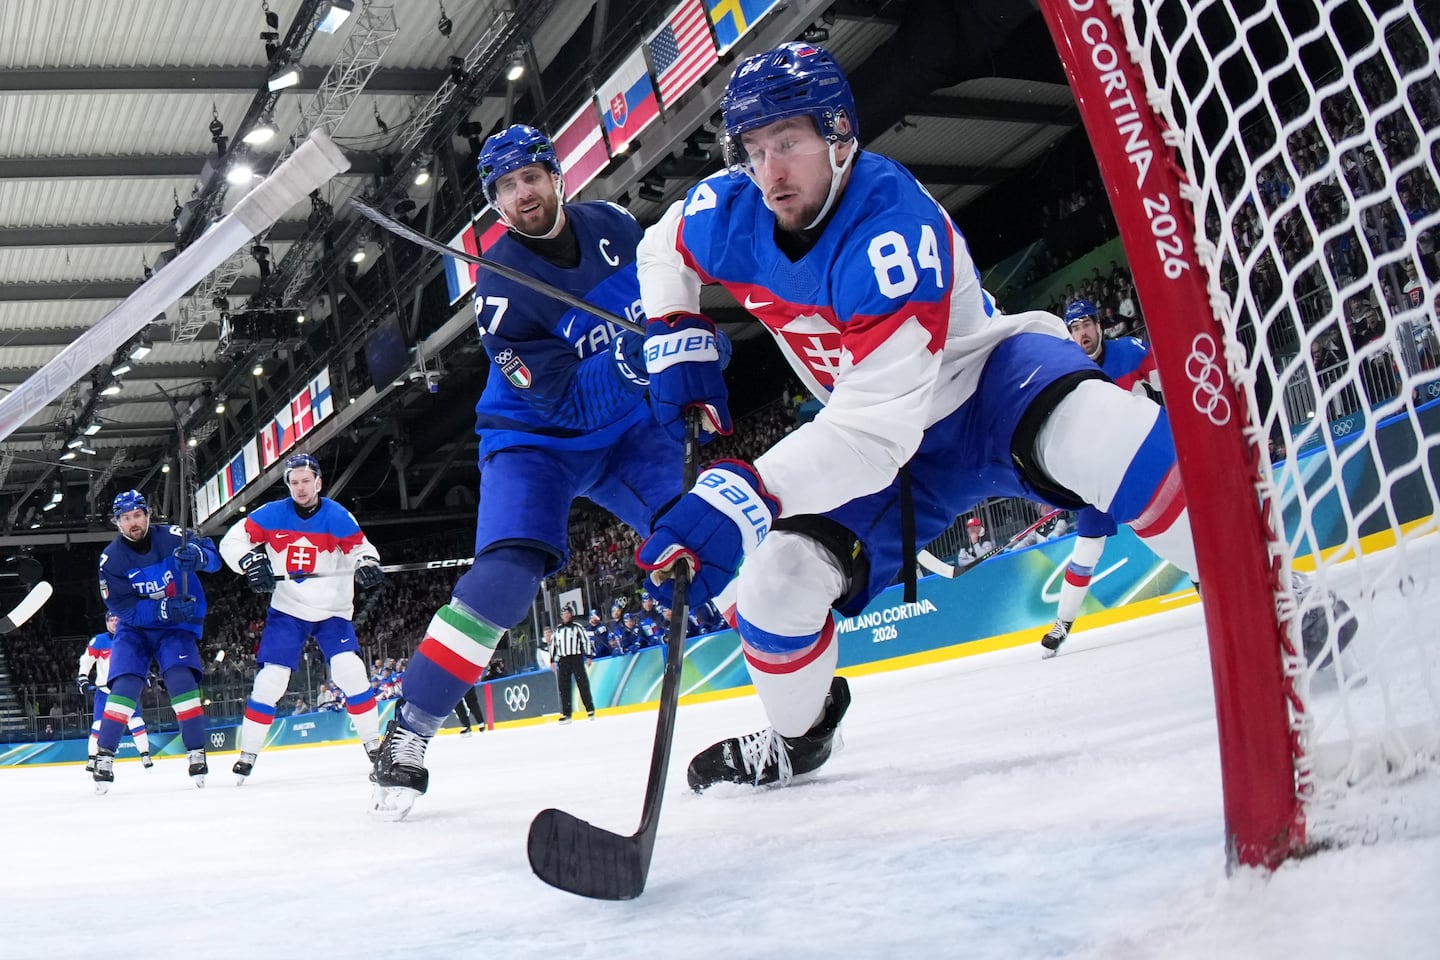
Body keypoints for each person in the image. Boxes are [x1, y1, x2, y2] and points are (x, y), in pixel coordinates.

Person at [632, 43, 1200, 791]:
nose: (771, 170)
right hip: (879, 435)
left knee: (1103, 429)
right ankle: (800, 737)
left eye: (790, 143)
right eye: (756, 148)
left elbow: (877, 431)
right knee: (775, 581)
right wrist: (675, 328)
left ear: (840, 138)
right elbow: (657, 247)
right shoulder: (725, 210)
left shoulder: (889, 226)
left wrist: (745, 493)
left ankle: (1262, 592)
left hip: (986, 387)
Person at [368, 123, 707, 819]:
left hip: (631, 429)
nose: (522, 193)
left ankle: (798, 706)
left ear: (557, 177)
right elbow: (567, 401)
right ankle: (410, 728)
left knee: (709, 539)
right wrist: (632, 362)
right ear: (495, 205)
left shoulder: (613, 223)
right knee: (506, 577)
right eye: (506, 187)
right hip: (537, 441)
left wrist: (680, 354)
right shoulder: (499, 288)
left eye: (531, 176)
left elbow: (665, 293)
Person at [219, 453, 386, 784]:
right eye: (294, 482)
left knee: (349, 671)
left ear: (318, 482)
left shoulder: (337, 516)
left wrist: (366, 563)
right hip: (288, 610)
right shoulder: (270, 515)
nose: (300, 487)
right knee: (271, 680)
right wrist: (251, 561)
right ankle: (248, 753)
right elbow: (232, 541)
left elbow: (360, 548)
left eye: (306, 481)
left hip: (332, 611)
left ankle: (374, 745)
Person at [1041, 299, 1162, 658]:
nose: (1083, 333)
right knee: (1087, 548)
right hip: (1099, 474)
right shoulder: (1065, 371)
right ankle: (1063, 623)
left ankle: (1203, 578)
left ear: (1098, 324)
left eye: (1087, 324)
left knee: (1164, 529)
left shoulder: (1129, 351)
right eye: (1075, 328)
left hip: (1141, 462)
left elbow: (1165, 379)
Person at [95, 490, 223, 792]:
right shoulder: (110, 560)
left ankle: (195, 751)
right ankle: (104, 756)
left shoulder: (174, 537)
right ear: (117, 523)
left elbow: (215, 560)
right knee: (125, 684)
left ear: (148, 515)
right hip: (135, 628)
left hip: (176, 626)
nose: (133, 523)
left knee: (181, 681)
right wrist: (163, 608)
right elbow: (123, 608)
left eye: (137, 515)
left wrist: (200, 557)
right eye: (125, 518)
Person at [77, 612, 153, 773]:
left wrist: (145, 674)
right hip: (104, 692)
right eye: (111, 620)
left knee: (137, 723)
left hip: (125, 690)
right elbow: (87, 660)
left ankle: (145, 755)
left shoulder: (130, 638)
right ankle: (92, 759)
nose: (114, 623)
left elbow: (139, 659)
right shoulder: (99, 640)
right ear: (106, 622)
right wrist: (83, 677)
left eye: (117, 620)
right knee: (98, 727)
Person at [549, 607, 595, 723]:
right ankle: (566, 713)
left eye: (568, 613)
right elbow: (553, 646)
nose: (567, 616)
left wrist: (588, 656)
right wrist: (552, 661)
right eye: (564, 614)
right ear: (561, 616)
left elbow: (585, 641)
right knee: (564, 687)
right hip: (563, 660)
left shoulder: (577, 627)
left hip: (576, 658)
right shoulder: (558, 630)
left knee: (582, 683)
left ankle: (590, 709)